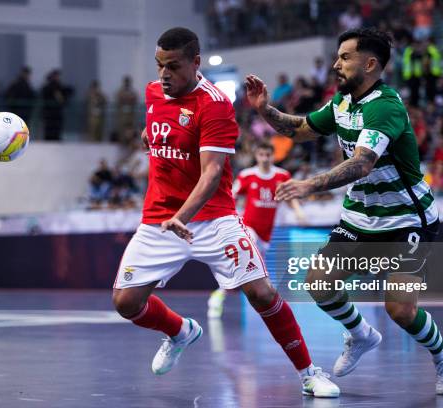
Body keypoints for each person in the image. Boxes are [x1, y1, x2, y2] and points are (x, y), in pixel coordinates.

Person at [111, 27, 339, 398]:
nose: (163, 74)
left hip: (213, 219)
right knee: (125, 303)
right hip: (159, 220)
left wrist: (182, 216)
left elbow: (212, 172)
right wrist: (150, 135)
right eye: (159, 66)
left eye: (173, 66)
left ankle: (309, 373)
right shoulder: (155, 93)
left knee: (262, 293)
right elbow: (155, 126)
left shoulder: (215, 104)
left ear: (196, 63)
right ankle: (181, 332)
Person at [245, 27, 443, 395]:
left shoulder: (385, 106)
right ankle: (361, 334)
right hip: (360, 217)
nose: (335, 65)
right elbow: (300, 129)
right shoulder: (342, 103)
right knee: (319, 283)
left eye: (345, 57)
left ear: (371, 64)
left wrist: (309, 184)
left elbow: (361, 164)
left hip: (406, 219)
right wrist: (265, 110)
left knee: (401, 311)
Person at [207, 141, 307, 318]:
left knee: (251, 272)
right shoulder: (247, 175)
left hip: (267, 233)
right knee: (250, 265)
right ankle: (222, 295)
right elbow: (231, 196)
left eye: (268, 155)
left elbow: (290, 197)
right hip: (248, 229)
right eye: (261, 155)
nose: (265, 159)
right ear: (256, 156)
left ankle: (221, 292)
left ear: (273, 156)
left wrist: (299, 212)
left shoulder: (282, 176)